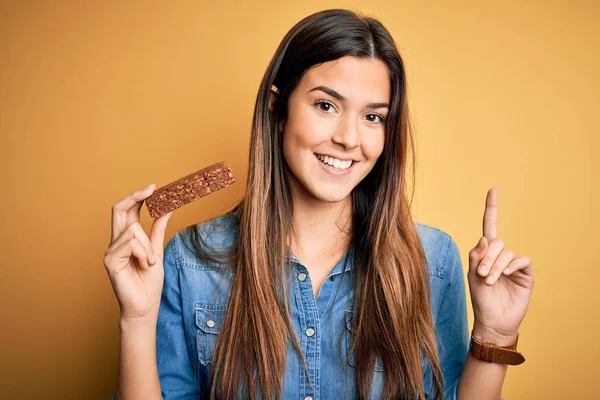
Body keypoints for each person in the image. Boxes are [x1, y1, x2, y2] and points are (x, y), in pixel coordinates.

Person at [104, 8, 534, 400]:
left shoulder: (432, 261)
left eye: (373, 116)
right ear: (278, 108)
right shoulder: (191, 261)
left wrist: (496, 333)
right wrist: (137, 320)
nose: (349, 138)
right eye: (326, 105)